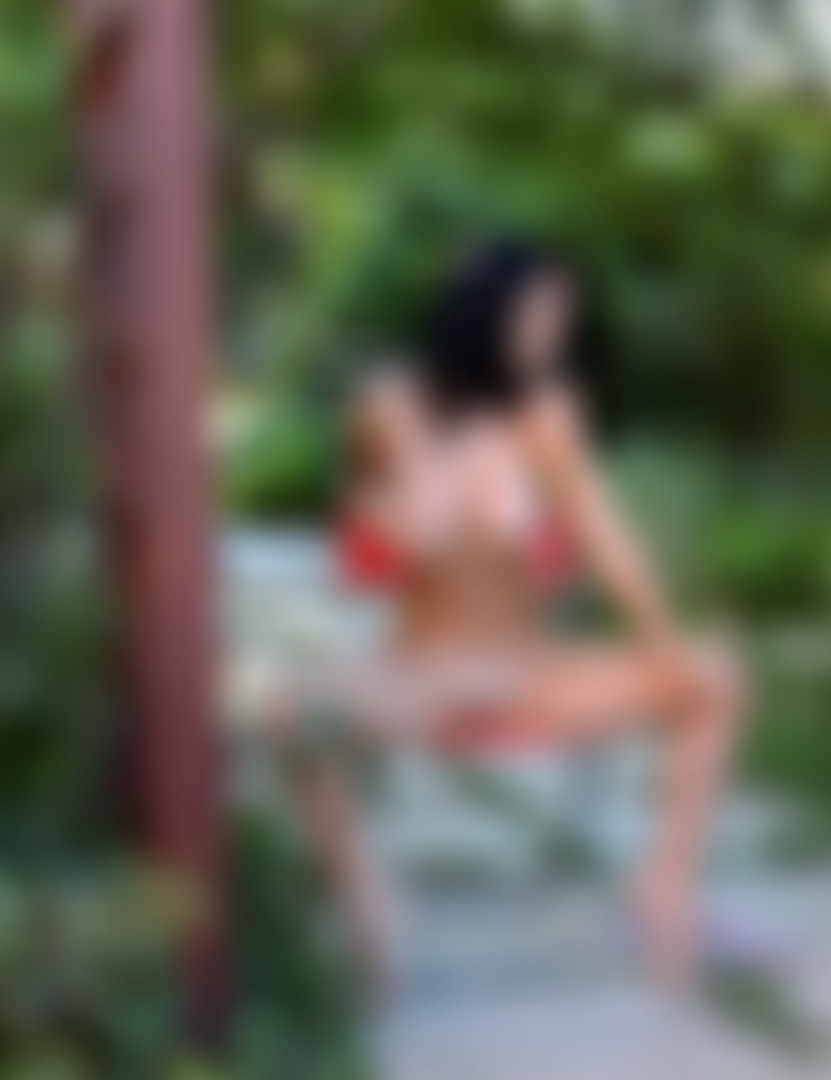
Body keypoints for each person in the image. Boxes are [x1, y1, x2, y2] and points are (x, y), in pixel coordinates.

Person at [286, 238, 747, 990]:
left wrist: (664, 643)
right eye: (539, 316)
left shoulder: (550, 416)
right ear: (483, 315)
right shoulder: (390, 406)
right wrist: (459, 468)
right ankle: (371, 907)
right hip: (423, 676)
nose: (553, 336)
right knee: (295, 718)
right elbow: (375, 560)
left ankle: (664, 892)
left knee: (715, 678)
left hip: (530, 675)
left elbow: (607, 542)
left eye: (562, 318)